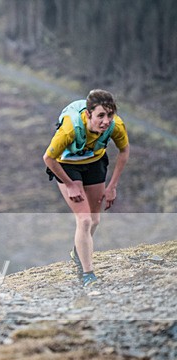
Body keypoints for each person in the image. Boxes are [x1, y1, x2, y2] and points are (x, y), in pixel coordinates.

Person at [43, 89, 130, 287]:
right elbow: (48, 159)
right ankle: (88, 274)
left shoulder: (115, 125)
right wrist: (70, 184)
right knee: (84, 220)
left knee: (95, 220)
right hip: (66, 165)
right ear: (88, 114)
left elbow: (124, 151)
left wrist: (112, 186)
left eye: (110, 114)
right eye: (101, 115)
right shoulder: (70, 128)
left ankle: (78, 250)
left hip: (94, 162)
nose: (106, 121)